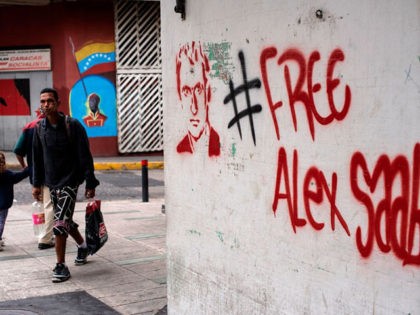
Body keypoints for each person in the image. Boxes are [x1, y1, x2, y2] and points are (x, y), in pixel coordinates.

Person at [32, 87, 99, 283]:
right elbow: (36, 158)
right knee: (65, 218)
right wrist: (36, 184)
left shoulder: (72, 125)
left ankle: (60, 266)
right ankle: (83, 246)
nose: (46, 105)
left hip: (70, 180)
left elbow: (85, 155)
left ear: (58, 103)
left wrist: (90, 182)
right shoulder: (39, 128)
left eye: (50, 101)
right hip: (52, 182)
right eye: (43, 101)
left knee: (60, 222)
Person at [14, 108, 55, 250]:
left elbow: (18, 150)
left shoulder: (29, 127)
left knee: (42, 204)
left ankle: (44, 232)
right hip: (51, 173)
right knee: (49, 206)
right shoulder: (52, 124)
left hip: (34, 173)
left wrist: (25, 166)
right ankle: (45, 238)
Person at [175, 41, 220, 157]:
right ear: (179, 97)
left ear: (208, 93)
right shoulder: (180, 149)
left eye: (199, 90)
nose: (194, 108)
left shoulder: (219, 144)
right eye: (186, 92)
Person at [0, 152, 29, 250]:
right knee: (1, 222)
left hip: (4, 204)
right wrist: (29, 168)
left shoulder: (7, 174)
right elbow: (19, 176)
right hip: (3, 204)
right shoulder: (7, 174)